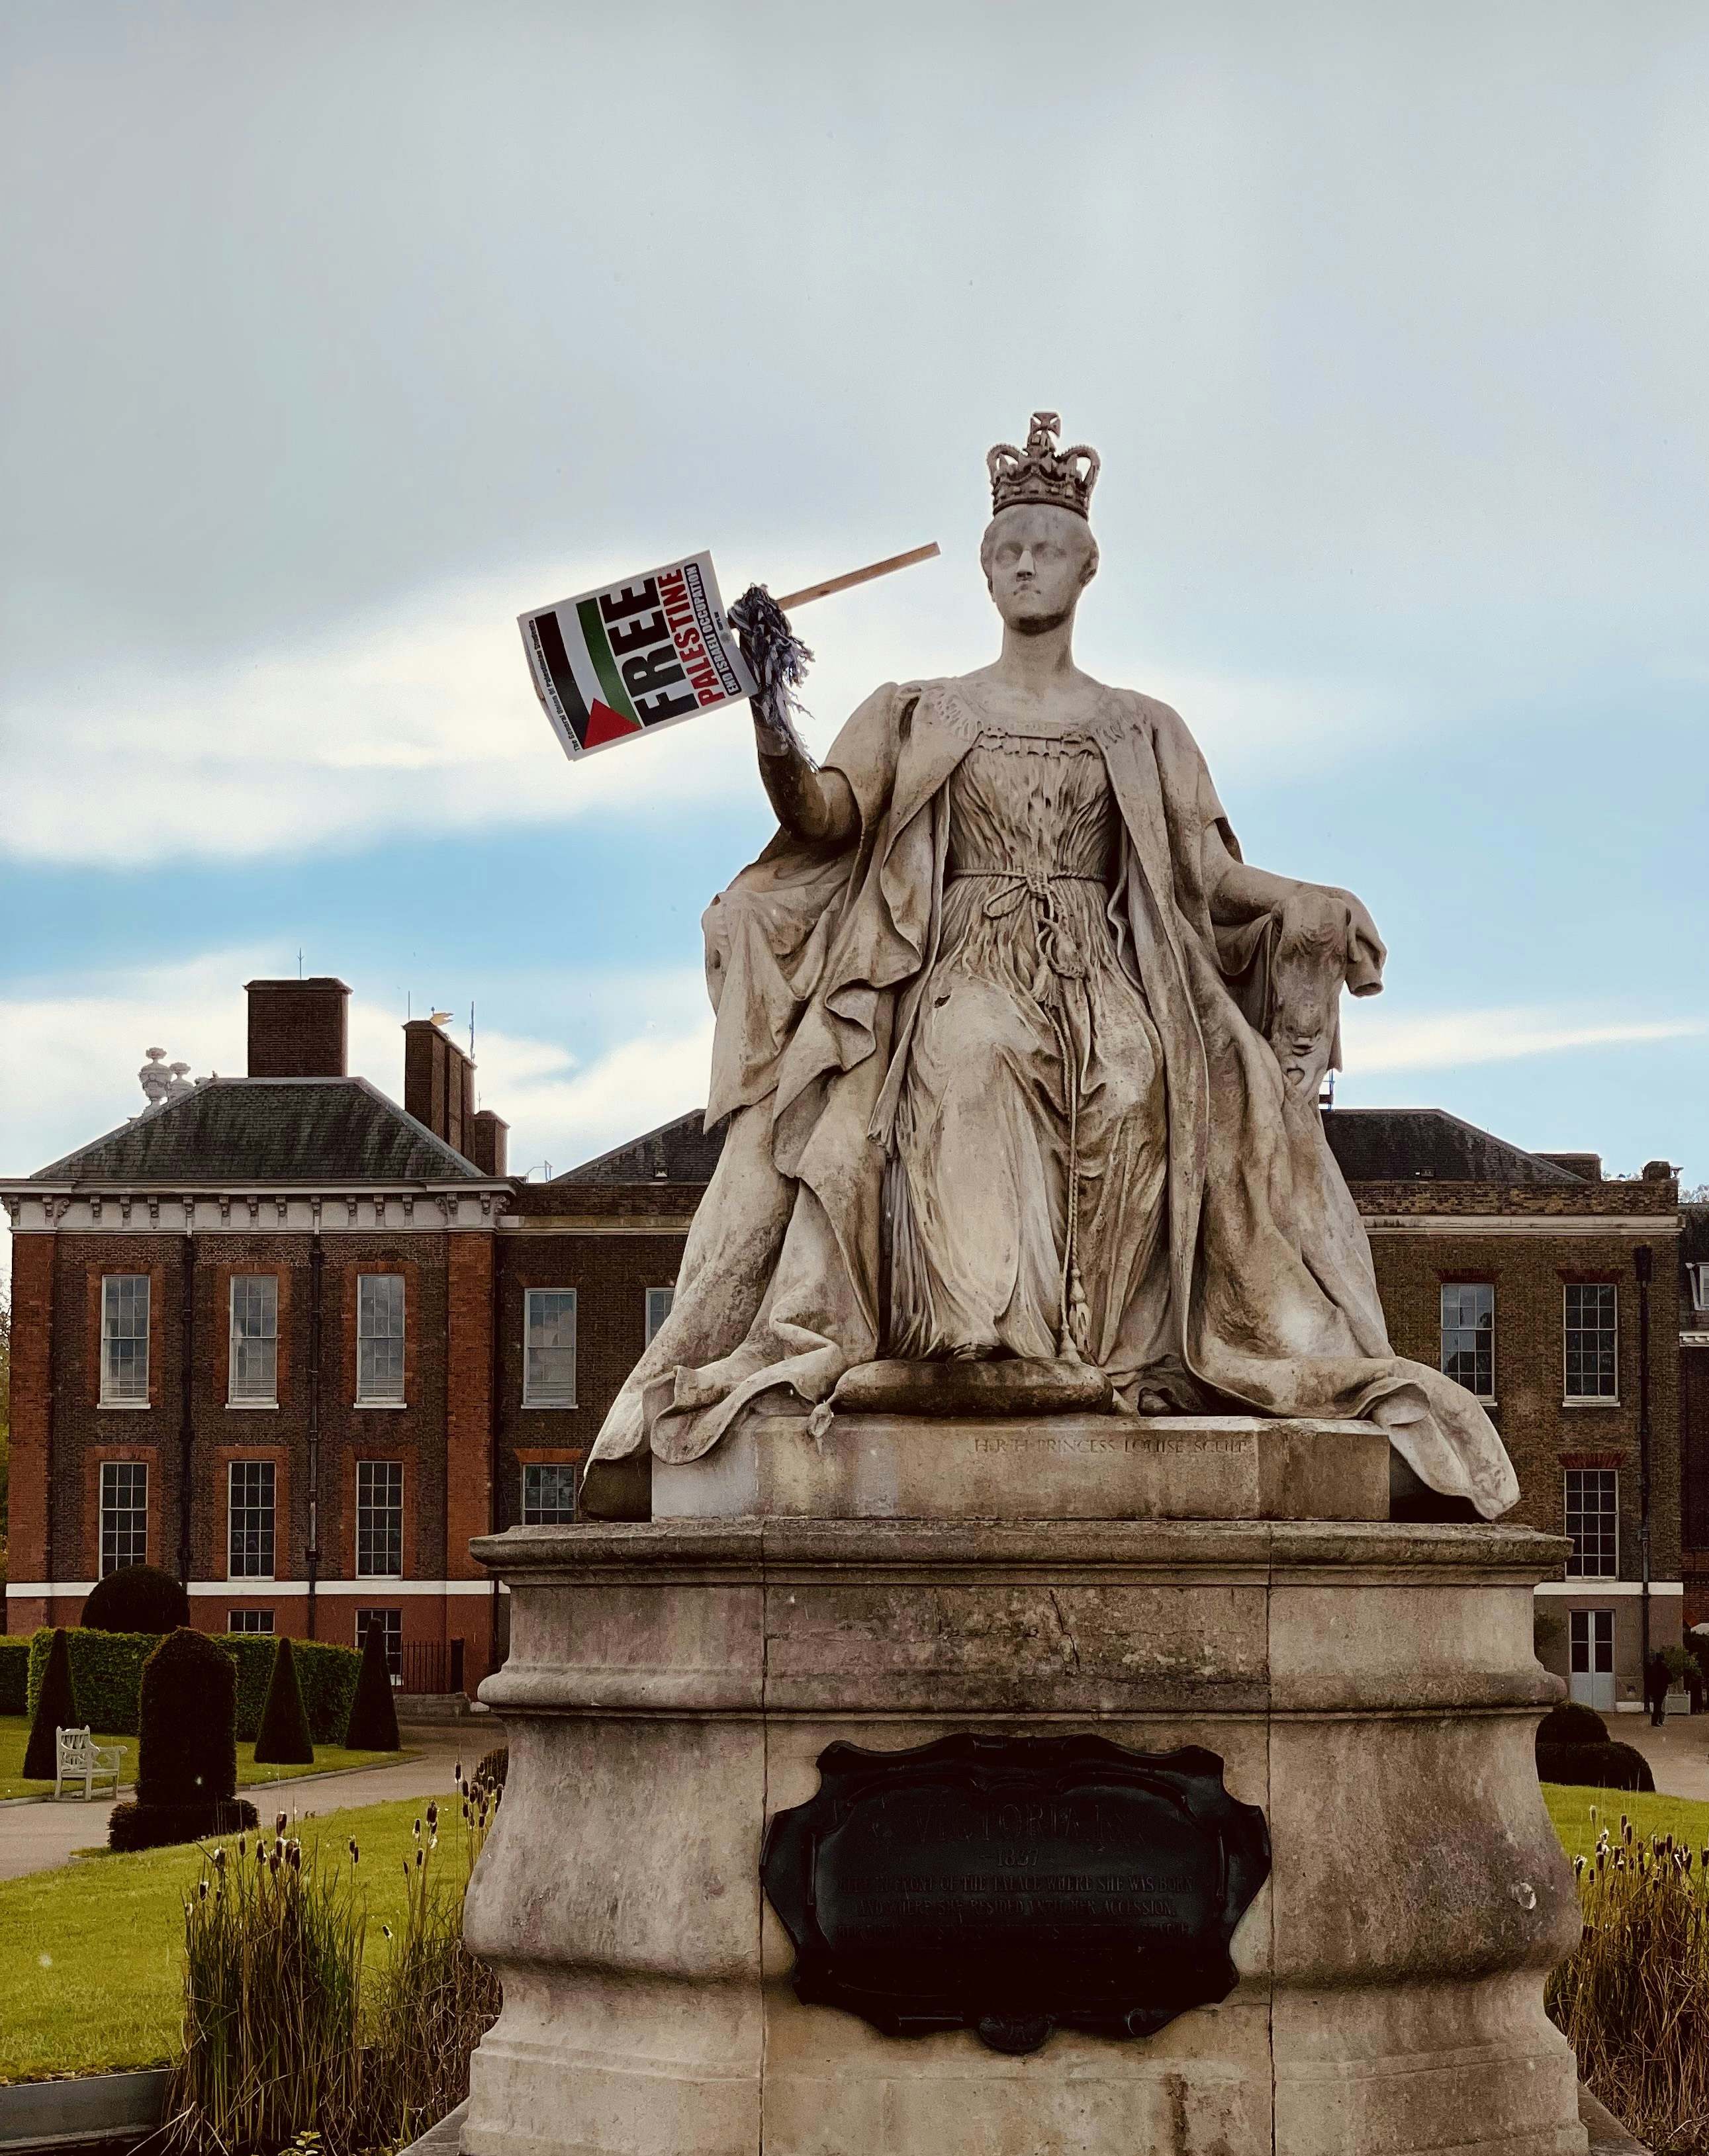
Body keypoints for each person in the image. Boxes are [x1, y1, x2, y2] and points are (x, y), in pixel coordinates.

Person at [581, 414, 1516, 1522]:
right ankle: (981, 1337)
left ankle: (1092, 1349)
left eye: (1045, 545)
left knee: (1134, 1073)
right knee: (975, 1048)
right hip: (962, 961)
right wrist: (772, 724)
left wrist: (1305, 899)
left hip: (1107, 970)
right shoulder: (918, 709)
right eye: (1006, 549)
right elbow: (826, 821)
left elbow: (1209, 873)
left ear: (1087, 565)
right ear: (984, 572)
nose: (1025, 563)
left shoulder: (1140, 725)